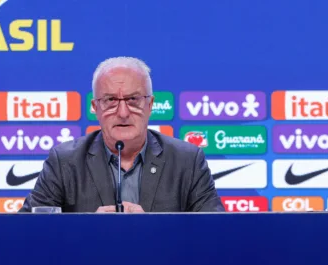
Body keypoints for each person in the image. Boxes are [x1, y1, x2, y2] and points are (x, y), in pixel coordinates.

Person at [18, 56, 225, 213]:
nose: (123, 113)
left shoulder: (187, 161)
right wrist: (87, 230)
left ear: (150, 105)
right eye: (110, 101)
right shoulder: (65, 162)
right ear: (95, 107)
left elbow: (216, 236)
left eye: (133, 99)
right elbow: (27, 234)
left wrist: (154, 229)